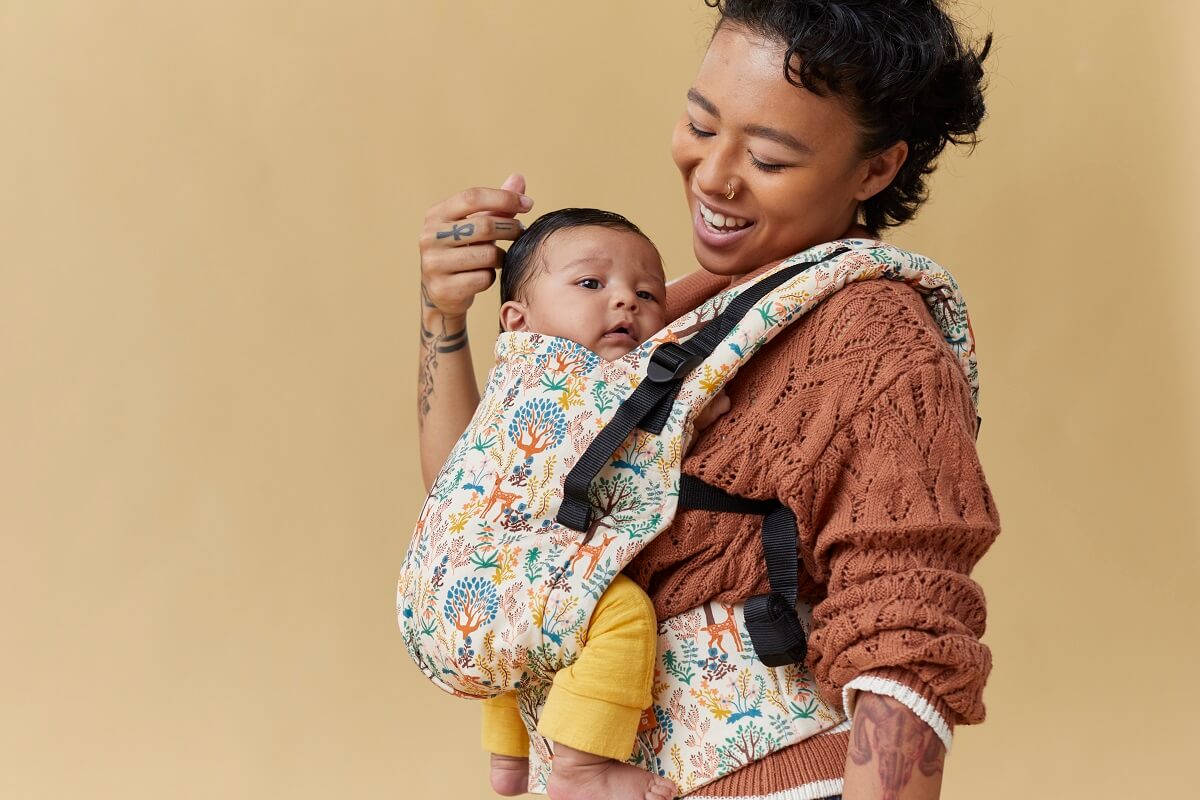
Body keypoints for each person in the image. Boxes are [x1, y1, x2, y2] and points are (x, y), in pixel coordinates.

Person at [414, 2, 998, 799]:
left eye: (768, 156)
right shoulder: (678, 317)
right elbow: (482, 511)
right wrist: (443, 319)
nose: (714, 175)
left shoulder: (876, 343)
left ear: (875, 169)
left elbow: (906, 644)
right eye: (700, 123)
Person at [475, 207, 729, 800]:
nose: (625, 301)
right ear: (518, 320)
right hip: (519, 568)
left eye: (648, 293)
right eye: (591, 283)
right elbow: (665, 407)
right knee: (621, 614)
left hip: (482, 571)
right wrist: (698, 399)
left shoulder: (505, 388)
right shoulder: (581, 379)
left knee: (517, 635)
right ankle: (581, 768)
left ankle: (508, 754)